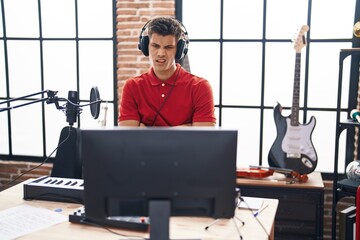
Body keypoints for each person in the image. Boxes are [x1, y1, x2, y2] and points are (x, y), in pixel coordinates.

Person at [118, 17, 216, 127]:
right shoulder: (132, 87)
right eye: (155, 46)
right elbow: (128, 139)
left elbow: (203, 140)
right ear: (145, 46)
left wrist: (147, 130)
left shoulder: (200, 87)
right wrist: (186, 128)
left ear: (179, 50)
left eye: (168, 47)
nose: (161, 53)